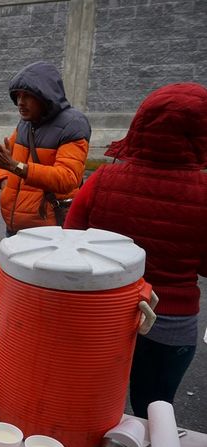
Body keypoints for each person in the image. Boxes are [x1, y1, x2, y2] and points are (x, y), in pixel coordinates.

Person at [64, 82, 207, 419]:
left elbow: (70, 240)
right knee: (153, 413)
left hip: (104, 314)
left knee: (88, 404)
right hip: (171, 323)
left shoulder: (103, 179)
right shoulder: (204, 193)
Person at [0, 61, 91, 236]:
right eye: (17, 96)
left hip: (50, 232)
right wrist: (4, 181)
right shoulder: (25, 123)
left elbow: (67, 178)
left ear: (45, 96)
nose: (20, 102)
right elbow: (6, 160)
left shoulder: (73, 124)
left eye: (27, 96)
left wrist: (16, 167)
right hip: (14, 228)